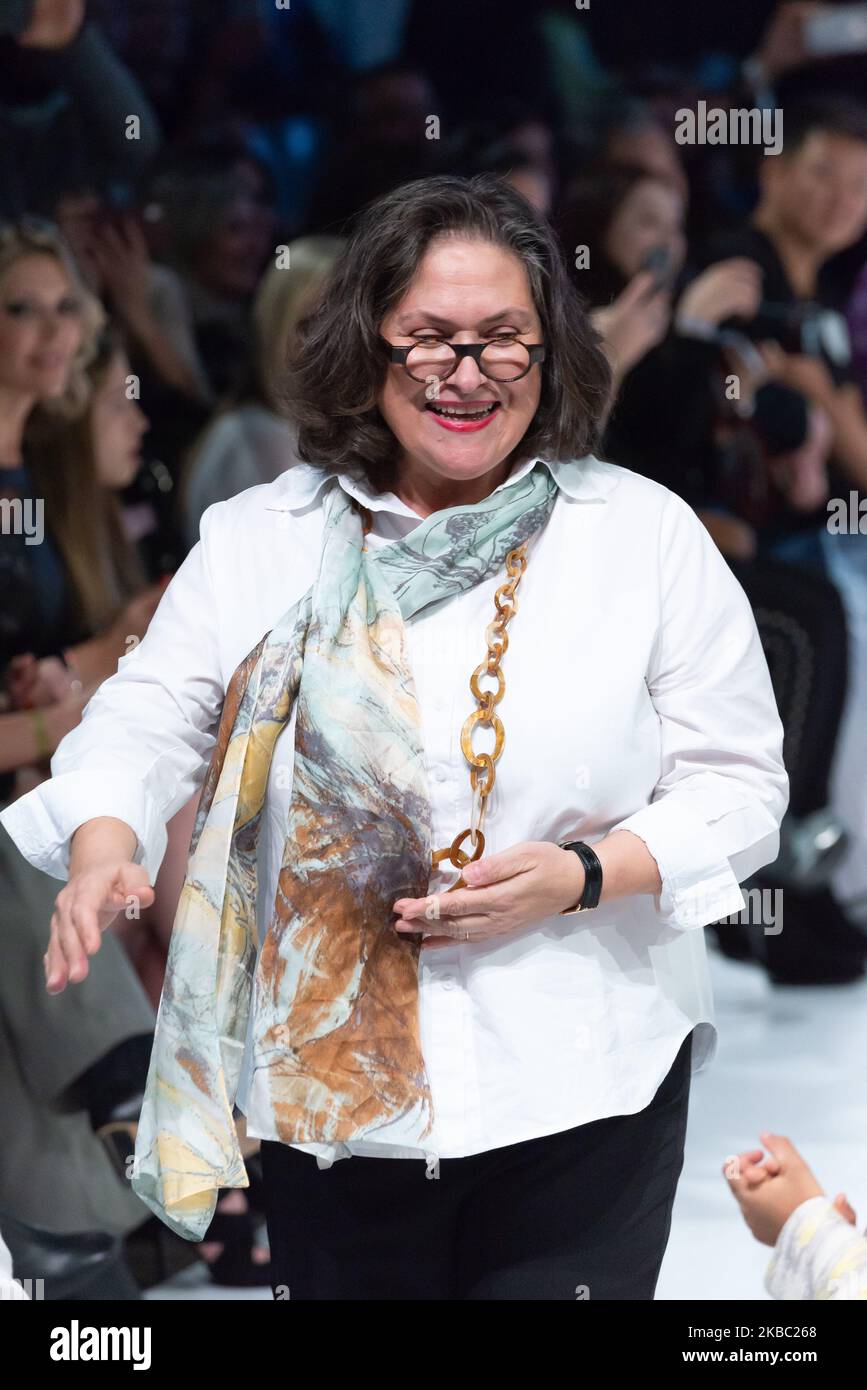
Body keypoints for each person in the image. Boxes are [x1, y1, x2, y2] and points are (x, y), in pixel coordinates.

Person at [1, 174, 789, 1301]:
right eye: (426, 338)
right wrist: (101, 841)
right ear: (365, 349)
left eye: (503, 340)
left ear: (550, 353)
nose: (464, 373)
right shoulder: (262, 540)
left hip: (583, 1079)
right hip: (334, 1115)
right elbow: (146, 711)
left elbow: (741, 783)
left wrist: (577, 875)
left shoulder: (640, 538)